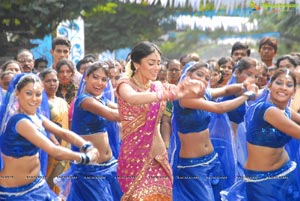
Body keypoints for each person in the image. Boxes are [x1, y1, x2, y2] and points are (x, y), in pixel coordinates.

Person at [116, 41, 206, 200]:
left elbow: (182, 92)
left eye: (158, 63)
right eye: (151, 63)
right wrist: (167, 94)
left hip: (159, 157)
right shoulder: (124, 85)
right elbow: (133, 98)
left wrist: (195, 86)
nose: (156, 67)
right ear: (136, 64)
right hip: (134, 157)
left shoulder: (158, 86)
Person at [0, 73, 99, 200]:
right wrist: (85, 157)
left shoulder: (37, 117)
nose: (34, 99)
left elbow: (63, 132)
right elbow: (53, 150)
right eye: (28, 93)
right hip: (15, 193)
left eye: (38, 94)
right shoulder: (20, 122)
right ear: (18, 93)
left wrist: (86, 145)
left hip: (37, 185)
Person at [171, 62, 257, 201]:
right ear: (188, 75)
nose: (203, 80)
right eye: (199, 75)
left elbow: (226, 90)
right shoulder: (184, 98)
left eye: (207, 78)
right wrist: (246, 96)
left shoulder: (204, 94)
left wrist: (242, 86)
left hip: (212, 159)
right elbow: (220, 108)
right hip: (193, 166)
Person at [222, 68, 300, 201]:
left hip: (286, 174)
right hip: (263, 182)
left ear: (294, 91)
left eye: (289, 85)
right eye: (279, 83)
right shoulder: (267, 110)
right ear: (270, 85)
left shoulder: (286, 111)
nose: (283, 88)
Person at [58, 61, 122, 200]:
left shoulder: (102, 99)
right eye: (95, 77)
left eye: (104, 79)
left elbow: (119, 109)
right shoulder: (84, 101)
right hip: (91, 170)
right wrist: (145, 108)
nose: (99, 82)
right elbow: (114, 115)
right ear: (86, 77)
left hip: (109, 165)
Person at [39, 68, 70, 194]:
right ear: (41, 83)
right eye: (48, 81)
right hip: (50, 150)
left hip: (65, 148)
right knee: (49, 182)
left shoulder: (62, 101)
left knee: (63, 186)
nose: (52, 84)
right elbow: (43, 125)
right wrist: (55, 146)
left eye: (54, 80)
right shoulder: (40, 102)